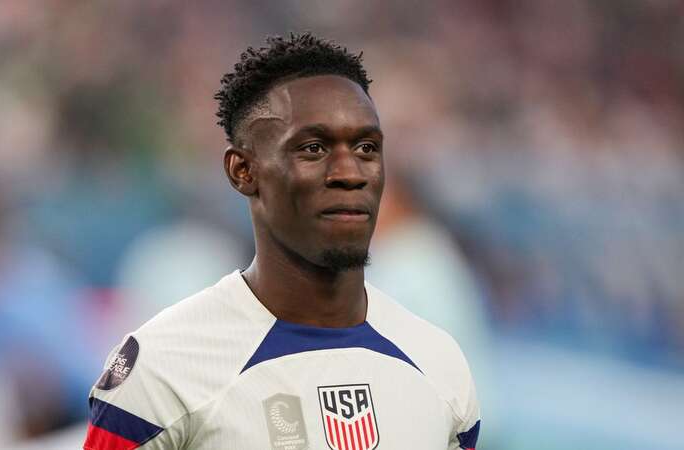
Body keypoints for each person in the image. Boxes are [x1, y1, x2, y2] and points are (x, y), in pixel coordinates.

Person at [84, 32, 481, 450]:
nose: (350, 173)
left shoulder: (439, 363)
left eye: (366, 147)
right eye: (313, 148)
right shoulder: (163, 370)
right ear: (243, 171)